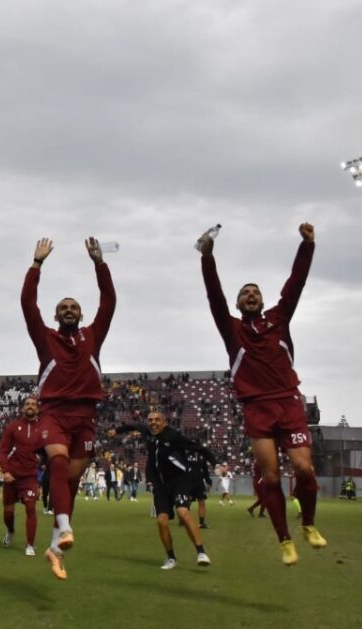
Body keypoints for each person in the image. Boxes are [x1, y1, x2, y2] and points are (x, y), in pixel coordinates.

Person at [200, 223, 326, 565]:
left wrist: (307, 245)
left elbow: (295, 283)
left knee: (304, 469)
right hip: (256, 407)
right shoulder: (233, 330)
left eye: (255, 291)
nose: (251, 295)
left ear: (262, 299)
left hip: (287, 401)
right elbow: (215, 297)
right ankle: (285, 539)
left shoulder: (279, 317)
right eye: (245, 293)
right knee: (269, 476)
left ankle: (309, 525)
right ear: (239, 304)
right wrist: (207, 259)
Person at [22, 235, 115, 580]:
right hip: (54, 413)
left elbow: (109, 302)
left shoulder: (93, 335)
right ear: (56, 315)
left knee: (70, 484)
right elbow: (27, 305)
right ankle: (63, 527)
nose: (69, 311)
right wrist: (36, 265)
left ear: (81, 314)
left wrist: (99, 263)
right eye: (63, 308)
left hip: (86, 417)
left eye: (74, 307)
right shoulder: (45, 338)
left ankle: (55, 548)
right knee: (57, 461)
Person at [108, 412, 213, 570]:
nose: (153, 422)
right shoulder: (146, 432)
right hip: (161, 484)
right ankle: (171, 558)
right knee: (161, 521)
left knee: (182, 512)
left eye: (157, 420)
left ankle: (201, 552)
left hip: (180, 480)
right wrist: (117, 431)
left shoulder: (174, 436)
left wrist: (218, 464)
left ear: (164, 422)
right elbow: (132, 426)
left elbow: (200, 449)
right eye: (150, 420)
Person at [0, 396, 43, 556]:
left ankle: (30, 545)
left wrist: (41, 483)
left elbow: (47, 455)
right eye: (27, 404)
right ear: (22, 408)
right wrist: (6, 471)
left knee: (31, 507)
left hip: (30, 477)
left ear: (37, 408)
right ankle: (10, 531)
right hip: (12, 475)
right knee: (8, 512)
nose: (30, 406)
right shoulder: (13, 427)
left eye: (33, 404)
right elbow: (3, 451)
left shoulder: (43, 429)